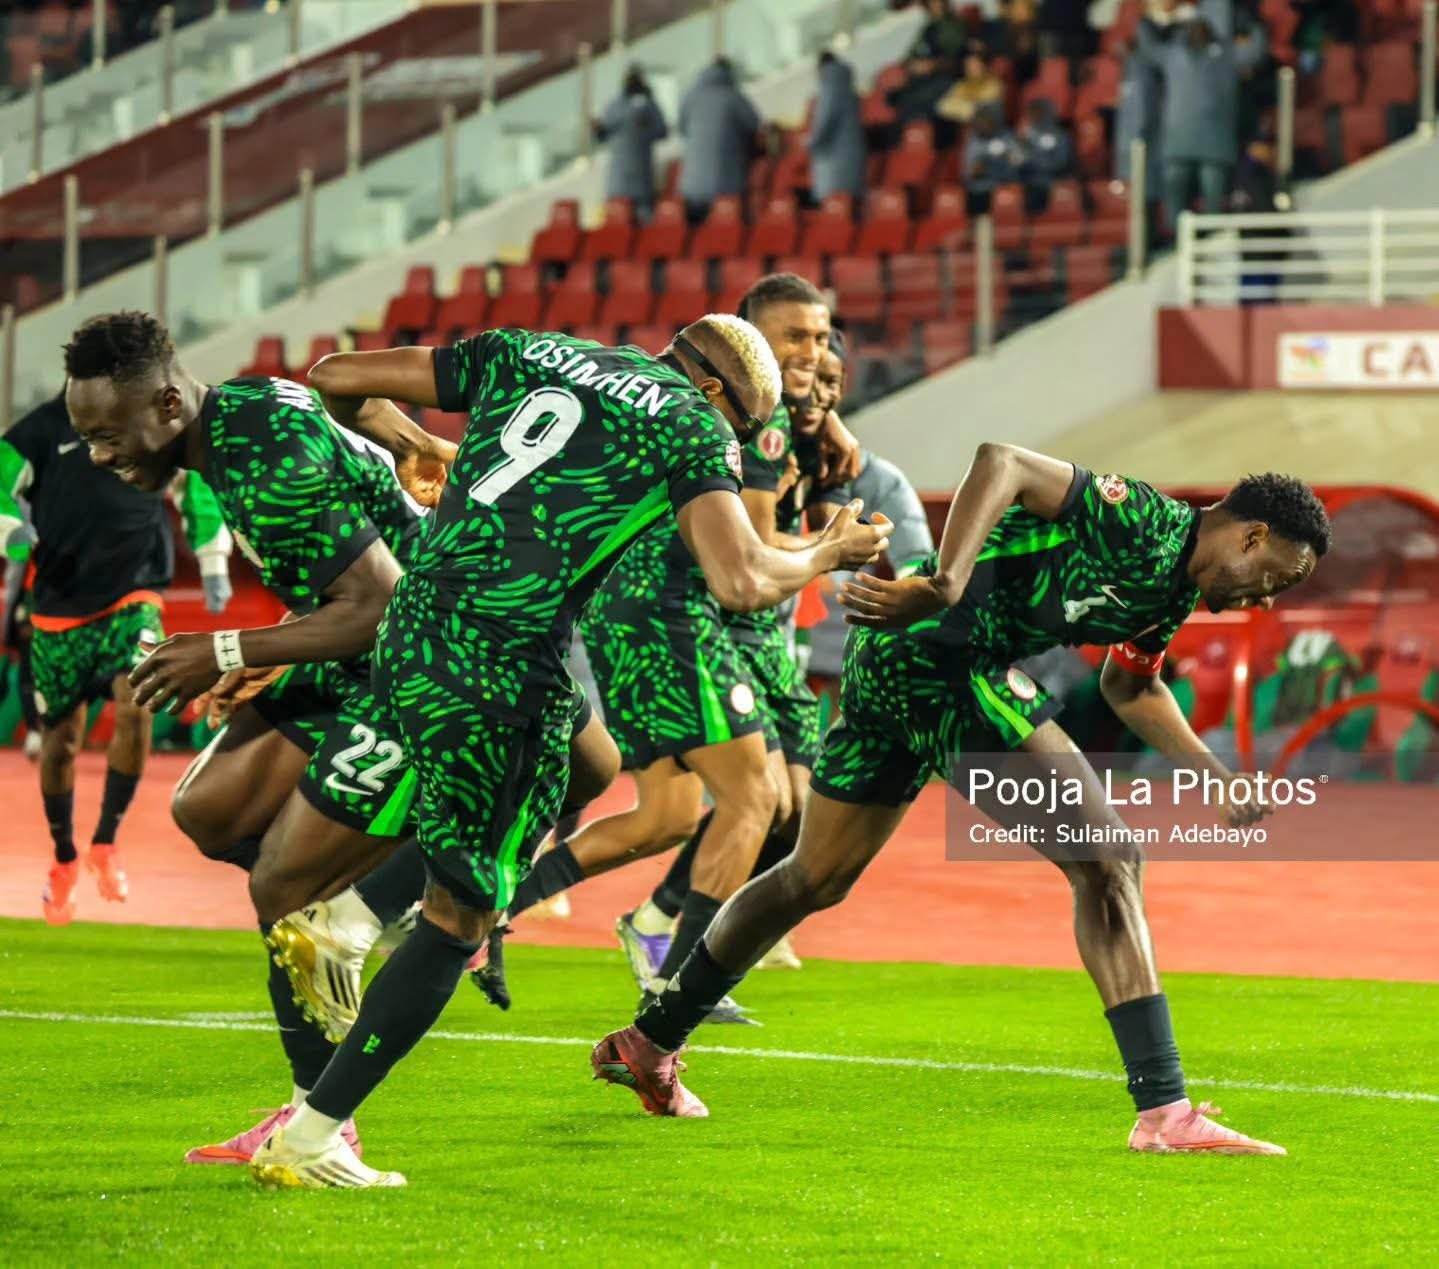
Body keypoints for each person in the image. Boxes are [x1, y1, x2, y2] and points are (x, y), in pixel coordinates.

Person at [244, 316, 889, 1188]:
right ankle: (314, 1131)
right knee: (459, 918)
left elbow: (334, 374)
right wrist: (827, 554)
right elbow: (740, 580)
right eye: (739, 426)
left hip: (413, 628)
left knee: (588, 768)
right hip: (505, 664)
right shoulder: (689, 422)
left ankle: (349, 918)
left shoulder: (532, 348)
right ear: (713, 394)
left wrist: (420, 444)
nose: (735, 445)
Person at [592, 452, 1330, 1162]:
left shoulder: (1171, 591)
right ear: (1250, 535)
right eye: (1274, 577)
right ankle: (1165, 1110)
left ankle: (649, 1040)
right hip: (941, 649)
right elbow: (1000, 460)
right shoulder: (1137, 517)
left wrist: (1213, 775)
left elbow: (1129, 687)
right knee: (1108, 860)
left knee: (812, 877)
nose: (1265, 598)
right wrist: (946, 581)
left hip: (900, 661)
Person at [59, 312, 453, 1165]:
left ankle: (321, 1119)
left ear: (167, 403)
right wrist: (278, 649)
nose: (98, 454)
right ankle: (368, 891)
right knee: (211, 808)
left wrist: (229, 648)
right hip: (359, 637)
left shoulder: (258, 460)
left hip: (424, 649)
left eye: (105, 434)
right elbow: (350, 536)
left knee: (282, 884)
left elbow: (380, 598)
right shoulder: (239, 413)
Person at [0, 386, 232, 924]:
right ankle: (63, 857)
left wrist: (213, 558)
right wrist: (12, 530)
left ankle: (106, 841)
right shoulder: (40, 428)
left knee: (138, 701)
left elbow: (193, 478)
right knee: (60, 743)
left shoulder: (144, 419)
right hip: (59, 608)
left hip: (136, 594)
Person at [1140, 14, 1239, 223]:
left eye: (1201, 30)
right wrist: (1144, 22)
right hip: (1179, 139)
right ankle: (1177, 238)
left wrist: (1256, 26)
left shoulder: (1224, 56)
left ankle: (1213, 234)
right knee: (1174, 182)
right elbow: (1148, 48)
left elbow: (1256, 51)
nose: (1197, 35)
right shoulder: (1173, 55)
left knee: (1213, 188)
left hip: (1214, 141)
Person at [678, 57, 761, 223]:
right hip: (726, 182)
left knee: (695, 240)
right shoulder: (734, 97)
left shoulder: (690, 97)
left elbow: (682, 129)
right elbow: (754, 124)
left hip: (691, 186)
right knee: (727, 237)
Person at [596, 66, 669, 220]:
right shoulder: (644, 105)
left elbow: (662, 132)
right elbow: (661, 131)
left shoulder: (615, 106)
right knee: (624, 228)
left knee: (631, 226)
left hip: (630, 180)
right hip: (632, 180)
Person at [807, 51, 866, 202]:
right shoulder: (846, 86)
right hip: (850, 158)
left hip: (836, 163)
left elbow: (825, 121)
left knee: (837, 210)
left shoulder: (831, 88)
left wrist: (811, 144)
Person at [962, 107, 1024, 211]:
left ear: (993, 122)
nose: (981, 126)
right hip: (980, 191)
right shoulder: (973, 142)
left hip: (1005, 186)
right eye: (978, 123)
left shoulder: (1006, 137)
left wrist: (1006, 155)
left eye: (984, 122)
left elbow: (1020, 161)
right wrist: (980, 167)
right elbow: (969, 173)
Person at [1018, 98, 1073, 211]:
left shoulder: (1060, 136)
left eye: (1039, 112)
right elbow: (1018, 163)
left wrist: (1033, 158)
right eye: (1032, 112)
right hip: (1028, 184)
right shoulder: (1024, 136)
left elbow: (1061, 163)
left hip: (1053, 183)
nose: (1035, 116)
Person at [937, 48, 1006, 125]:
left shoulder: (993, 84)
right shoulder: (962, 85)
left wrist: (962, 106)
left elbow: (983, 110)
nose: (971, 69)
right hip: (966, 127)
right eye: (968, 66)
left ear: (983, 66)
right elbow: (943, 107)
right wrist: (968, 108)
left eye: (975, 65)